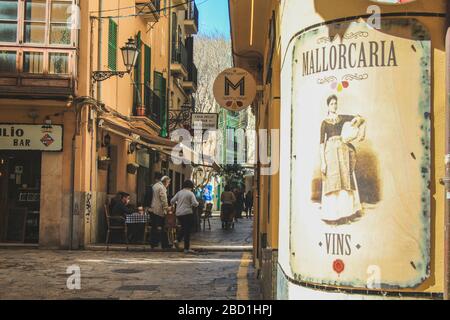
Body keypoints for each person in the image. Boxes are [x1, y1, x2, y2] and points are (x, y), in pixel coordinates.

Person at [320, 94, 366, 225]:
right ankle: (333, 217)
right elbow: (321, 143)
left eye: (335, 103)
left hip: (342, 151)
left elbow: (358, 118)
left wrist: (357, 122)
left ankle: (346, 215)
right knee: (333, 181)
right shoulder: (324, 123)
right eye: (331, 104)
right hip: (330, 153)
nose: (334, 105)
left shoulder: (341, 118)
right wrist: (323, 162)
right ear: (328, 106)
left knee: (345, 180)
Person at [171, 180, 199, 254]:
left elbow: (172, 201)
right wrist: (195, 204)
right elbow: (195, 203)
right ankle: (186, 248)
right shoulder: (190, 193)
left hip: (179, 213)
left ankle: (178, 240)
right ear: (191, 186)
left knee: (184, 227)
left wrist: (178, 203)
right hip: (187, 213)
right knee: (187, 231)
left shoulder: (179, 192)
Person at [150, 176, 171, 249]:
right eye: (168, 182)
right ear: (165, 182)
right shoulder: (162, 188)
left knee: (154, 227)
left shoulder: (155, 185)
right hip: (159, 210)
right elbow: (163, 199)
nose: (169, 184)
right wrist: (166, 208)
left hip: (152, 208)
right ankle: (164, 244)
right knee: (162, 227)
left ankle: (153, 243)